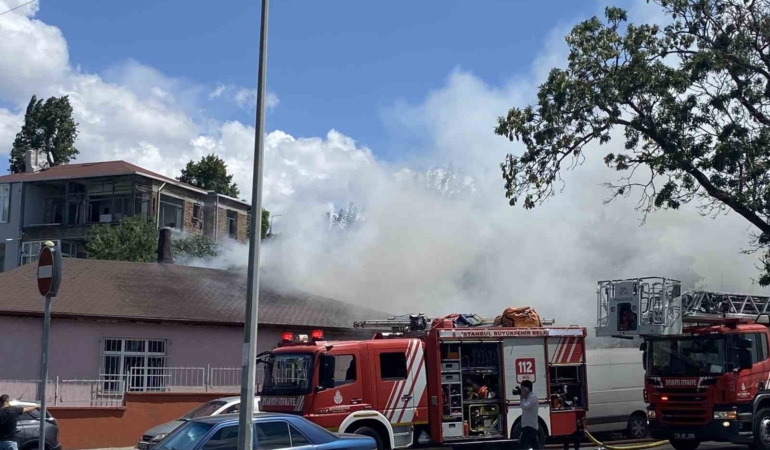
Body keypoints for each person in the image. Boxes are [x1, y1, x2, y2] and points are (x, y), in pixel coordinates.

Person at [517, 380, 539, 449]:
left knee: (523, 446)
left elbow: (525, 407)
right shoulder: (528, 397)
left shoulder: (532, 397)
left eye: (522, 388)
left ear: (527, 389)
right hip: (527, 427)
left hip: (530, 427)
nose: (522, 390)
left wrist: (523, 397)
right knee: (533, 446)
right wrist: (522, 396)